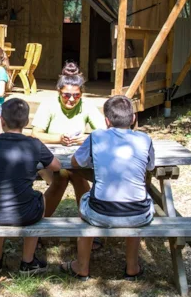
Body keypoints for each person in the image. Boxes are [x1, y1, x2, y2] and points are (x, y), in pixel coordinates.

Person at [62, 95, 155, 280]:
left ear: (106, 121)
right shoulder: (145, 139)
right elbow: (150, 166)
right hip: (139, 213)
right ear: (133, 118)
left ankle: (82, 266)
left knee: (84, 201)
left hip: (100, 212)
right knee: (139, 200)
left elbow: (75, 162)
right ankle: (132, 267)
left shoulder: (97, 136)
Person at [0, 98, 62, 276]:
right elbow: (56, 166)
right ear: (27, 122)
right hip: (25, 213)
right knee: (40, 197)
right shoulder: (34, 144)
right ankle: (28, 261)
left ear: (1, 120)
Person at [31, 62, 106, 217]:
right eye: (66, 95)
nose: (71, 99)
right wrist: (58, 139)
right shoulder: (49, 104)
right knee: (65, 175)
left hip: (77, 159)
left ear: (82, 94)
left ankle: (86, 222)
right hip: (49, 159)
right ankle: (88, 222)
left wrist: (84, 139)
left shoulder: (87, 105)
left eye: (76, 95)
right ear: (59, 92)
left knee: (74, 173)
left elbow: (104, 132)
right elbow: (36, 133)